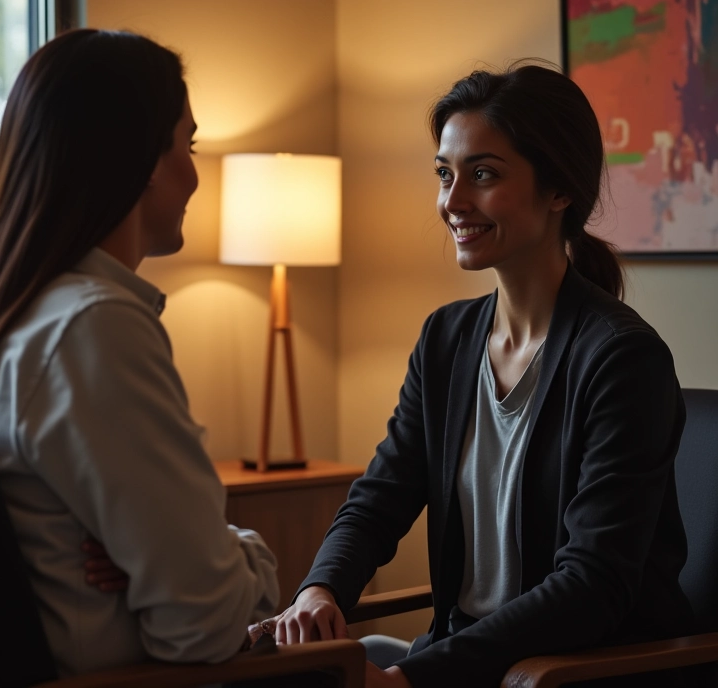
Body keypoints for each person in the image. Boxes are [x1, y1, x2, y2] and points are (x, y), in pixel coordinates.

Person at [271, 63, 693, 687]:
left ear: (558, 190)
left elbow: (592, 585)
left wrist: (410, 680)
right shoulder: (446, 339)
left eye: (484, 174)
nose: (453, 202)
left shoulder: (622, 359)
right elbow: (381, 497)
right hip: (464, 661)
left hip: (573, 674)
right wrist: (320, 588)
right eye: (445, 174)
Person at [0, 28, 279, 676]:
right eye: (188, 145)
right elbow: (206, 623)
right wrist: (250, 556)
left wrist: (170, 563)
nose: (195, 173)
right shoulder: (94, 328)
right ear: (145, 159)